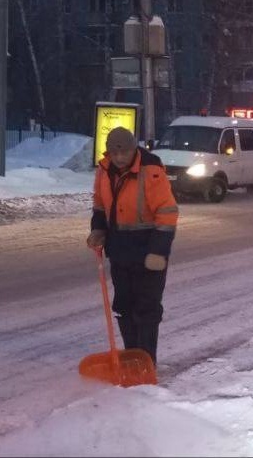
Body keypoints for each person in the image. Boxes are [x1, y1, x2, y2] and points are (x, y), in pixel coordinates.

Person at [86, 127, 179, 365]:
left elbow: (167, 213)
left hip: (148, 250)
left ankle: (146, 361)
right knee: (124, 306)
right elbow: (99, 205)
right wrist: (98, 229)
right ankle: (131, 358)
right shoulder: (104, 171)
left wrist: (158, 251)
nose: (119, 158)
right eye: (114, 153)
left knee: (146, 308)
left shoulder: (151, 171)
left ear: (133, 149)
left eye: (124, 153)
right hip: (119, 250)